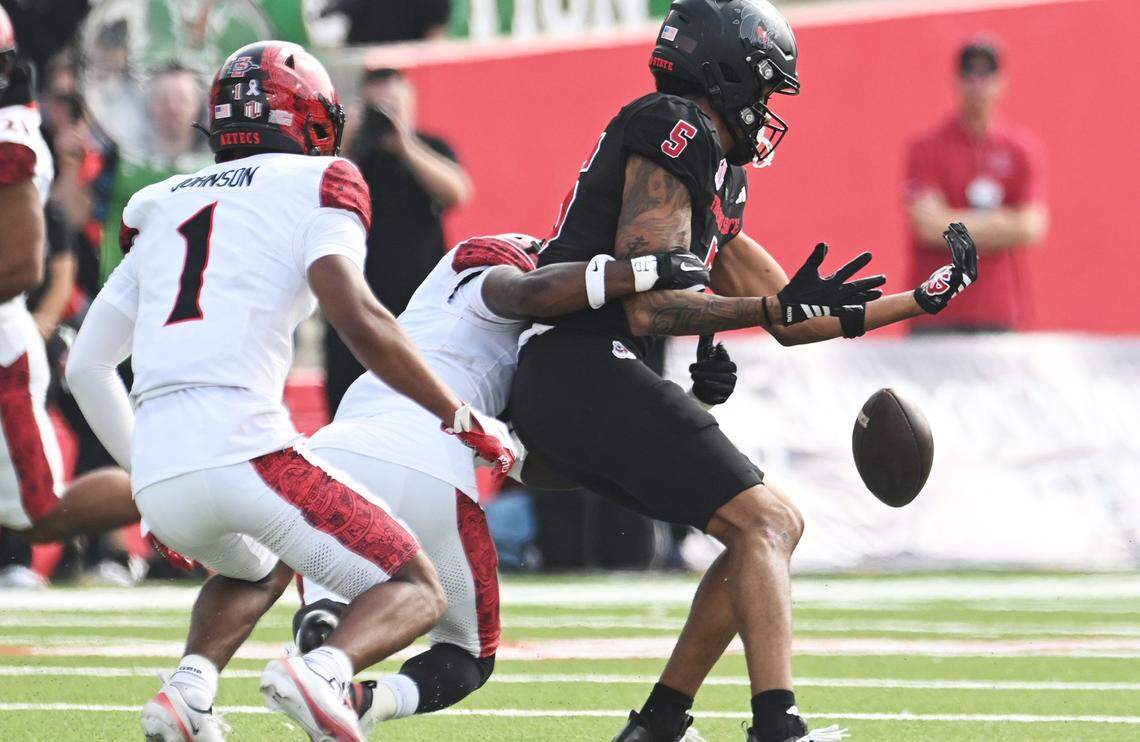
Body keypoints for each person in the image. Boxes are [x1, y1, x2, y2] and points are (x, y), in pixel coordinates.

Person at [507, 2, 980, 741]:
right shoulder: (677, 125)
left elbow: (790, 318)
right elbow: (650, 304)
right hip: (578, 367)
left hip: (583, 380)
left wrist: (919, 298)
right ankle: (775, 728)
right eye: (765, 89)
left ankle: (661, 724)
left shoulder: (712, 170)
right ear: (728, 76)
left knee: (757, 530)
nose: (766, 111)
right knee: (770, 521)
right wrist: (761, 305)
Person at [65, 40, 513, 741]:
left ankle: (189, 692)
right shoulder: (322, 179)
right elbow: (360, 318)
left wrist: (148, 479)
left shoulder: (158, 203)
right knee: (418, 589)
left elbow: (86, 368)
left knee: (259, 563)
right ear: (310, 117)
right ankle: (327, 671)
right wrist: (459, 414)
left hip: (159, 475)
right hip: (249, 455)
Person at [287, 233, 713, 730]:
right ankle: (337, 679)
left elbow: (549, 466)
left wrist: (695, 400)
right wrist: (646, 270)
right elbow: (528, 293)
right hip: (430, 469)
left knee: (330, 603)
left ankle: (302, 672)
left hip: (331, 453)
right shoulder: (486, 286)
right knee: (467, 654)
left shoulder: (505, 351)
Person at [0, 5, 135, 552]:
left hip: (3, 354)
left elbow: (20, 266)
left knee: (42, 512)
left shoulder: (9, 140)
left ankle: (193, 490)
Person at [324, 65, 472, 413]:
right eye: (379, 107)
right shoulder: (351, 159)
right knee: (347, 412)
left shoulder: (429, 148)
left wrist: (404, 143)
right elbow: (319, 186)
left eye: (394, 104)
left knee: (420, 410)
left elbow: (457, 193)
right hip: (354, 311)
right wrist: (349, 136)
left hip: (418, 310)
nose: (387, 115)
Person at [905, 38, 1047, 334]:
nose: (977, 84)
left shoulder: (1021, 150)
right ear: (956, 82)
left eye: (986, 75)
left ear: (1002, 82)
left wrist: (953, 223)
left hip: (999, 310)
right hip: (936, 309)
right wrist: (1000, 223)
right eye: (969, 75)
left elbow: (1031, 226)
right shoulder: (926, 148)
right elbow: (928, 227)